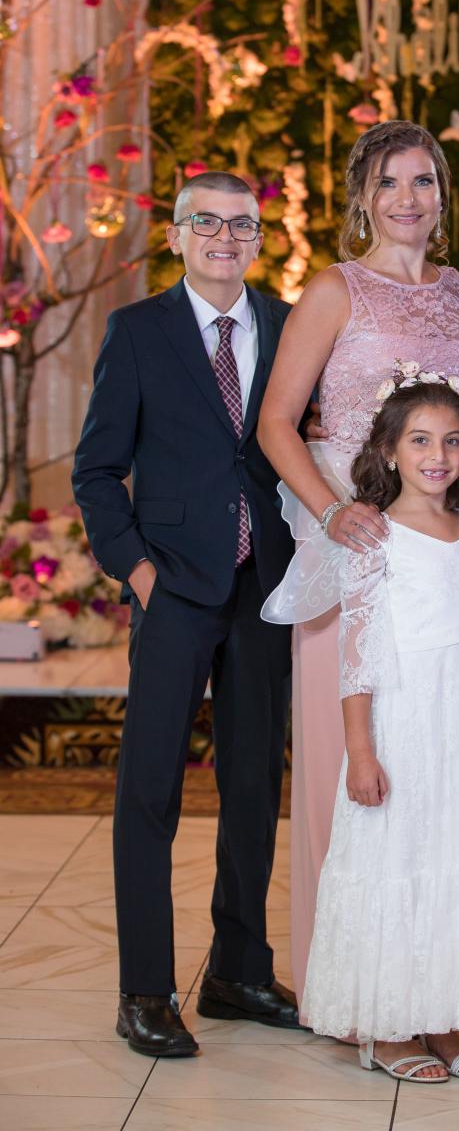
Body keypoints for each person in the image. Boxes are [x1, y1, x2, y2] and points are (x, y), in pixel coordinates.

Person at [72, 172, 298, 1057]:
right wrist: (136, 570)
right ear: (176, 235)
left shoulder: (283, 326)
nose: (224, 236)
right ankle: (146, 988)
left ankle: (239, 971)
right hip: (170, 584)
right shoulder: (138, 333)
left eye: (242, 224)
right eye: (205, 221)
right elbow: (96, 471)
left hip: (263, 587)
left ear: (257, 238)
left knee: (253, 783)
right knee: (150, 790)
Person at [257, 121, 459, 1011]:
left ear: (441, 195)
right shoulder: (332, 291)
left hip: (434, 542)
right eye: (390, 183)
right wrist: (332, 509)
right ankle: (342, 986)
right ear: (362, 195)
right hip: (347, 543)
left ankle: (431, 983)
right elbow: (276, 422)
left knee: (430, 766)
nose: (407, 200)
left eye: (423, 182)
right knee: (350, 763)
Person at [299, 374, 459, 1081]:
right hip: (403, 721)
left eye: (452, 441)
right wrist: (361, 751)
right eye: (420, 441)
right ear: (390, 452)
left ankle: (449, 1017)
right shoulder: (374, 536)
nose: (439, 455)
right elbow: (357, 657)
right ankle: (390, 1026)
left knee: (457, 852)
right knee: (401, 858)